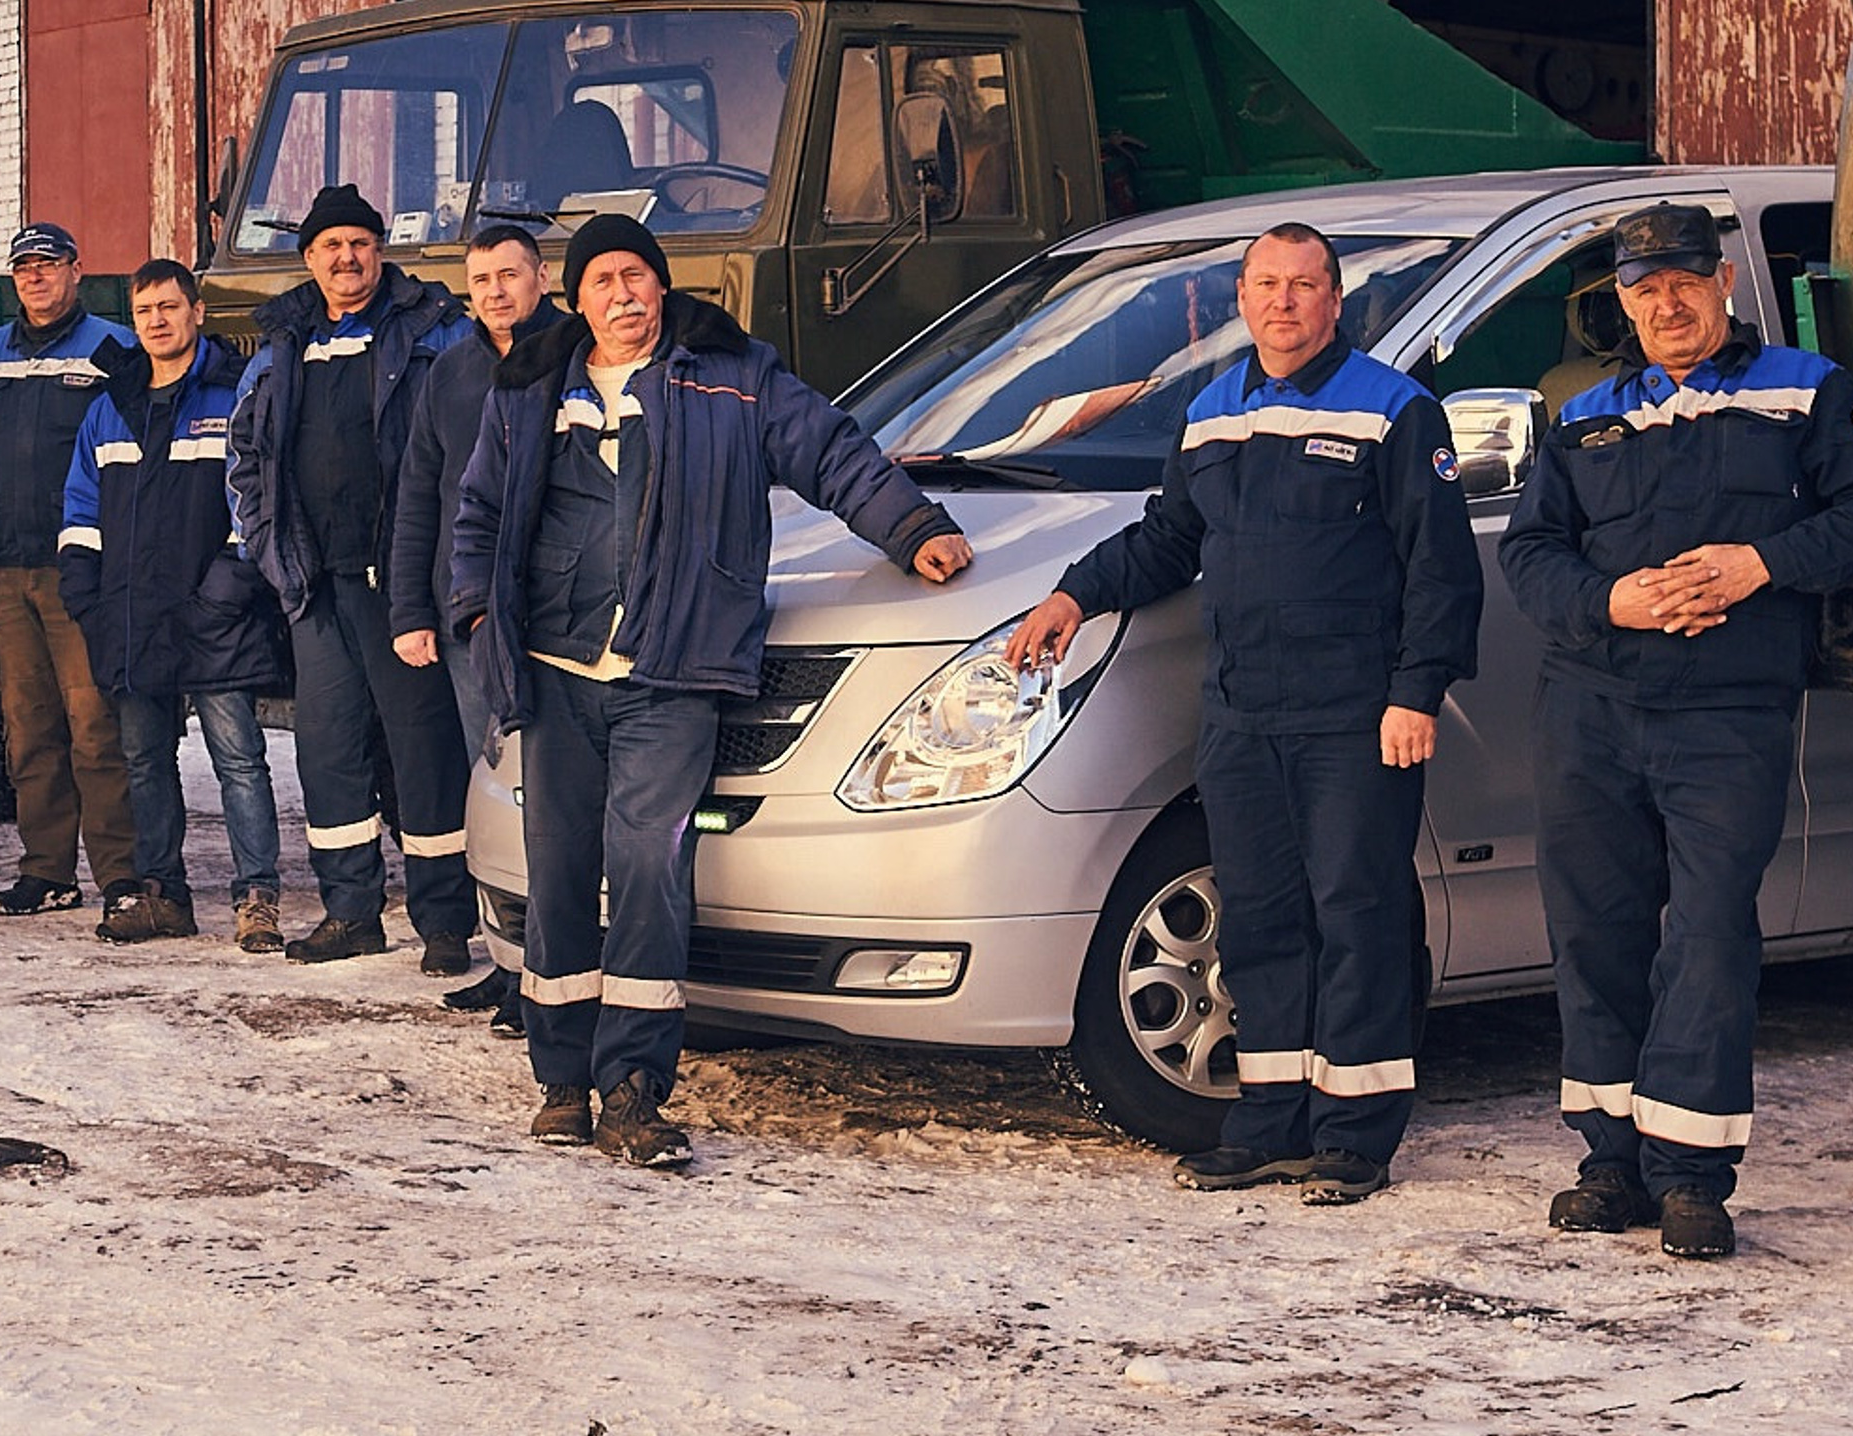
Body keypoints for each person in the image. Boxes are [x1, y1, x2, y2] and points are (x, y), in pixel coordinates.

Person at [450, 213, 973, 1168]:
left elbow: (833, 451)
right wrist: (478, 616)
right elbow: (478, 512)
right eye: (604, 280)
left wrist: (911, 526)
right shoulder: (527, 386)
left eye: (638, 277)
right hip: (556, 672)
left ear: (661, 285)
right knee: (559, 873)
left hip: (673, 669)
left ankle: (634, 1089)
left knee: (650, 869)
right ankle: (561, 1079)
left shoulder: (733, 376)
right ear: (578, 297)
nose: (624, 295)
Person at [1005, 223, 1482, 1206]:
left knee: (1357, 917)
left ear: (1335, 300)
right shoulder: (1213, 410)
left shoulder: (1393, 410)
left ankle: (1353, 1135)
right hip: (1240, 718)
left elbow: (1441, 568)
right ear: (1241, 294)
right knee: (1260, 922)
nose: (1283, 302)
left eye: (1304, 286)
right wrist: (1071, 596)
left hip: (1354, 718)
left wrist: (1413, 692)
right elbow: (1167, 539)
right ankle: (1268, 1122)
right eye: (1266, 284)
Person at [1499, 201, 1853, 1260]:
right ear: (1622, 300)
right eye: (1644, 286)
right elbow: (1532, 556)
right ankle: (1609, 1160)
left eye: (1684, 280)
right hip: (1590, 704)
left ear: (1723, 284)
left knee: (1706, 935)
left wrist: (1759, 565)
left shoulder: (1805, 392)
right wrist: (1614, 602)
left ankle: (1692, 1175)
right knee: (1594, 931)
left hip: (1727, 710)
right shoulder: (1582, 414)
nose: (1667, 301)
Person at [226, 183, 478, 971]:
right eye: (331, 246)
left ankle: (445, 920)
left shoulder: (432, 334)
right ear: (309, 260)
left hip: (399, 589)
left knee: (422, 749)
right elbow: (247, 462)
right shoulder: (282, 346)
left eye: (361, 244)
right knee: (328, 754)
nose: (347, 258)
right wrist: (271, 554)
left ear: (382, 250)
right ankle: (351, 911)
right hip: (316, 587)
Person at [60, 260, 290, 952]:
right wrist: (84, 593)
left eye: (168, 307)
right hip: (132, 617)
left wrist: (225, 590)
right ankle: (161, 893)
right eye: (143, 312)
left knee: (238, 759)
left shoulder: (230, 395)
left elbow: (252, 501)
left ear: (196, 312)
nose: (157, 321)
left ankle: (257, 896)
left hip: (215, 616)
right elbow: (79, 509)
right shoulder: (108, 408)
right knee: (144, 760)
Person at [389, 221, 562, 1033]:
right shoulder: (451, 372)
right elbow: (420, 494)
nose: (495, 292)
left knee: (550, 797)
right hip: (466, 618)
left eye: (509, 275)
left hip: (555, 618)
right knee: (492, 790)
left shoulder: (574, 356)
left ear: (542, 277)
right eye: (480, 280)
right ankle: (509, 965)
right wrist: (411, 611)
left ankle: (555, 971)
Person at [0, 221, 140, 919]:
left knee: (95, 724)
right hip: (6, 567)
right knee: (28, 726)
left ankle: (120, 874)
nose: (35, 277)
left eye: (48, 264)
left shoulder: (112, 349)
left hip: (79, 567)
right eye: (24, 268)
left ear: (76, 270)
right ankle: (47, 871)